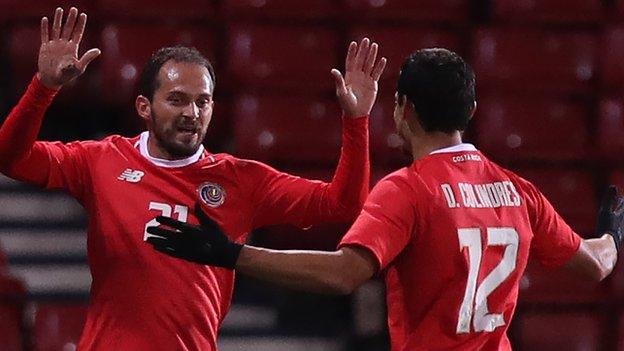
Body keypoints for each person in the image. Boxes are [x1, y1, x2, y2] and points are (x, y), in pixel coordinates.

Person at [148, 48, 624, 351]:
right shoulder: (520, 192)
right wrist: (612, 235)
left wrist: (229, 254)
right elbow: (596, 265)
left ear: (403, 110)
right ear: (471, 112)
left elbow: (341, 275)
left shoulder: (408, 189)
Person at [0, 7, 387, 350]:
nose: (192, 112)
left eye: (203, 101)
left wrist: (356, 121)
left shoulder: (240, 180)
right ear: (144, 107)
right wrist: (44, 88)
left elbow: (344, 203)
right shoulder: (101, 160)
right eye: (177, 99)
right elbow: (10, 159)